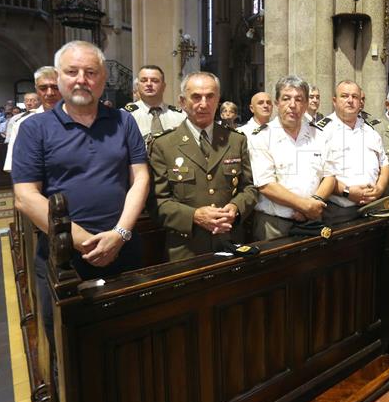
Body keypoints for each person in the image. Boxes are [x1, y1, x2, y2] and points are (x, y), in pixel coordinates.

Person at [12, 40, 149, 345]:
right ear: (59, 77)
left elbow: (140, 178)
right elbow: (25, 197)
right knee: (70, 344)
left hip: (123, 247)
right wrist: (86, 242)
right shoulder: (35, 129)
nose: (81, 79)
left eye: (91, 72)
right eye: (72, 71)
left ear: (103, 79)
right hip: (64, 257)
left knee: (130, 333)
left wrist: (120, 234)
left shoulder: (123, 121)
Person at [149, 72, 257, 261]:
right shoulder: (163, 145)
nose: (204, 104)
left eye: (210, 96)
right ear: (183, 102)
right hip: (186, 248)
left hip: (230, 241)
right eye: (196, 97)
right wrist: (194, 216)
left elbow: (248, 188)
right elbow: (157, 202)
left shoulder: (236, 140)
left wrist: (235, 207)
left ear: (218, 101)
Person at [248, 76, 336, 239]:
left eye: (299, 99)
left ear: (305, 104)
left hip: (313, 220)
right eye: (286, 99)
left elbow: (329, 176)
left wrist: (313, 203)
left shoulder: (319, 135)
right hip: (275, 226)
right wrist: (304, 205)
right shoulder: (261, 137)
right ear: (277, 103)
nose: (292, 105)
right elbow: (266, 184)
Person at [319, 80, 389, 224]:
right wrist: (347, 192)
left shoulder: (370, 130)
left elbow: (384, 163)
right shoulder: (321, 131)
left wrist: (380, 188)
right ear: (334, 100)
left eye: (355, 97)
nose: (350, 101)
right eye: (344, 96)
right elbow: (318, 173)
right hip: (339, 209)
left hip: (373, 206)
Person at [3, 67, 62, 171]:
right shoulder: (23, 123)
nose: (50, 93)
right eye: (43, 88)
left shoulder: (79, 118)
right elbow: (14, 166)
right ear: (37, 90)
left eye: (55, 87)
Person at [124, 65, 185, 141]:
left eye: (155, 80)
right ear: (137, 86)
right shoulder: (125, 116)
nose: (149, 84)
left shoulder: (180, 116)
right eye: (144, 80)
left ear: (163, 86)